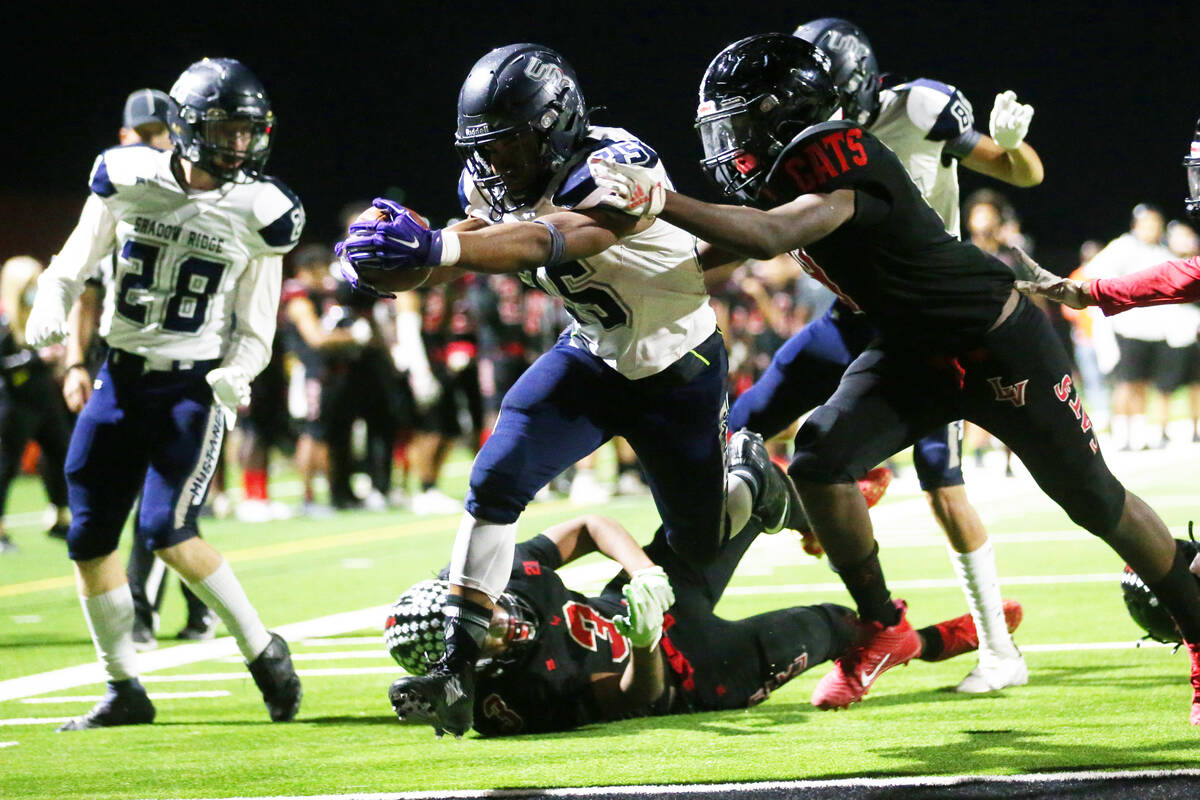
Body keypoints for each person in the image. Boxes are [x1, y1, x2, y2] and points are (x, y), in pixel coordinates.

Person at [587, 33, 1200, 724]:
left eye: (738, 119)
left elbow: (767, 235)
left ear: (785, 112)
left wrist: (660, 199)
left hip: (995, 341)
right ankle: (883, 624)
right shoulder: (785, 170)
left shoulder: (842, 152)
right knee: (819, 456)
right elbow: (720, 249)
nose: (727, 141)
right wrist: (601, 271)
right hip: (910, 348)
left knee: (1094, 503)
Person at [335, 43, 802, 737]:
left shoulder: (616, 161)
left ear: (554, 124)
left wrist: (441, 251)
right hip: (591, 357)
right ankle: (457, 663)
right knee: (495, 479)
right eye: (486, 147)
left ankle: (752, 481)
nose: (497, 162)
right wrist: (390, 266)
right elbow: (472, 237)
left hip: (678, 367)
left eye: (511, 144)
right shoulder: (488, 180)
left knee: (698, 541)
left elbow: (560, 237)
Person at [721, 17, 1042, 693]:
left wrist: (1015, 148)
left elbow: (1023, 174)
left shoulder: (920, 109)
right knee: (738, 424)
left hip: (926, 321)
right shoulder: (796, 144)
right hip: (851, 311)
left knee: (942, 482)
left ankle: (998, 649)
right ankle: (830, 519)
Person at [23, 57, 304, 729]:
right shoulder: (126, 179)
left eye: (247, 131)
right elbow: (72, 265)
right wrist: (50, 305)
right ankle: (124, 687)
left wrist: (239, 374)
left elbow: (256, 326)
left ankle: (263, 649)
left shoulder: (263, 211)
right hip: (118, 378)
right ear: (184, 127)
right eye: (224, 130)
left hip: (190, 387)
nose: (239, 144)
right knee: (88, 536)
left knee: (165, 530)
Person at [385, 513, 1020, 737]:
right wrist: (644, 641)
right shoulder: (510, 701)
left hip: (646, 603)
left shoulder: (493, 578)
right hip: (690, 672)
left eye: (479, 612)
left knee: (734, 489)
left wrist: (640, 574)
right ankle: (934, 643)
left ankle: (822, 505)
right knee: (833, 625)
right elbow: (637, 699)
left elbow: (586, 527)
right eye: (476, 638)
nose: (493, 622)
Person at [0, 256, 73, 553]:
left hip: (44, 400)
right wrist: (36, 359)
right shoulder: (5, 321)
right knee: (6, 467)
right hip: (15, 404)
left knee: (63, 456)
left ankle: (60, 516)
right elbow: (5, 365)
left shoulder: (39, 315)